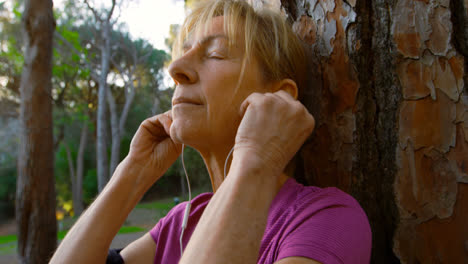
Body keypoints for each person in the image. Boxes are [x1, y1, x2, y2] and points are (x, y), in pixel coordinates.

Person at [50, 0, 372, 263]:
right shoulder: (181, 222)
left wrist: (257, 158)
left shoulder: (326, 219)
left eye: (214, 54)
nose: (176, 70)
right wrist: (132, 172)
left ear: (279, 99)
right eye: (183, 53)